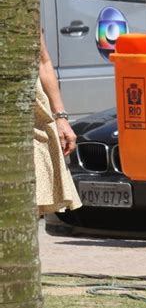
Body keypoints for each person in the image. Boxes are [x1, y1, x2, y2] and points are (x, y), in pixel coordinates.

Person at [35, 32, 81, 215]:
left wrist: (61, 117)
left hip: (31, 117)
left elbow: (43, 61)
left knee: (32, 195)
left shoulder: (21, 7)